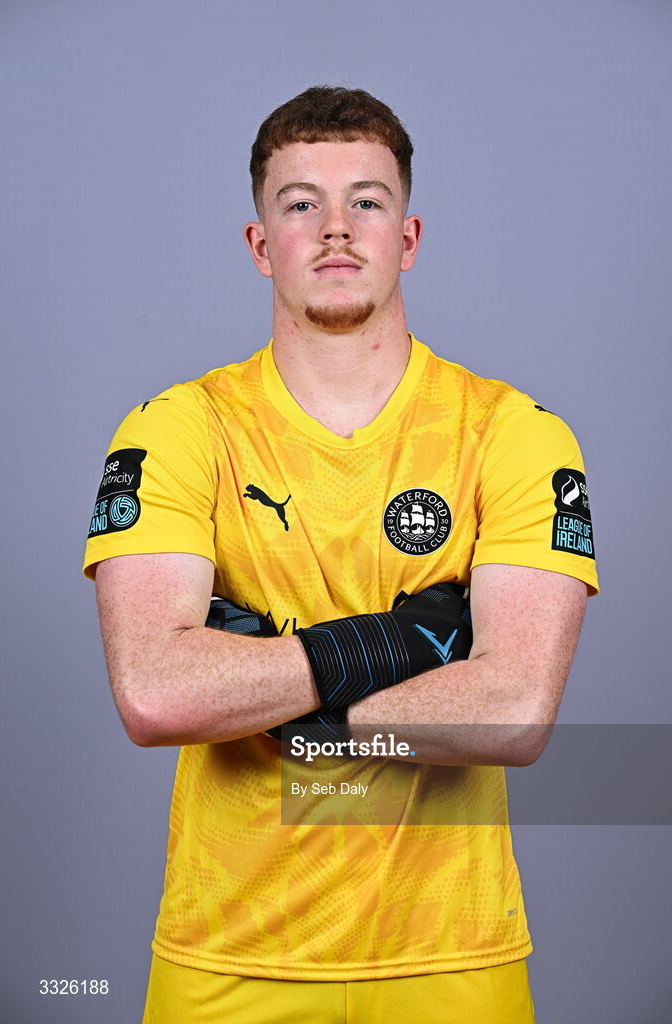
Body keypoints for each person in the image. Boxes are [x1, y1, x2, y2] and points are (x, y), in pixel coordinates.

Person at [83, 85, 599, 1023]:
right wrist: (411, 642)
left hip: (452, 957)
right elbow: (157, 692)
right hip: (227, 959)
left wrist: (291, 711)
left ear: (406, 237)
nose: (334, 229)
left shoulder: (515, 434)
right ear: (259, 243)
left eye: (365, 200)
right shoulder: (176, 431)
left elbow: (515, 712)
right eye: (299, 203)